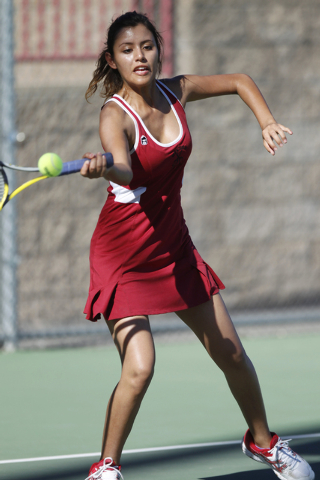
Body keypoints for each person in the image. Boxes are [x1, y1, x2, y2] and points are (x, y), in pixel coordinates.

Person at [81, 11, 315, 480]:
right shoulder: (113, 114)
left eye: (146, 46)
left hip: (172, 247)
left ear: (158, 48)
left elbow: (239, 80)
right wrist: (106, 166)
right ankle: (105, 467)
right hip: (122, 256)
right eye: (127, 50)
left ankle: (264, 443)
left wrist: (266, 121)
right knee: (140, 367)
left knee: (230, 351)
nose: (139, 56)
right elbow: (126, 169)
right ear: (113, 60)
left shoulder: (176, 90)